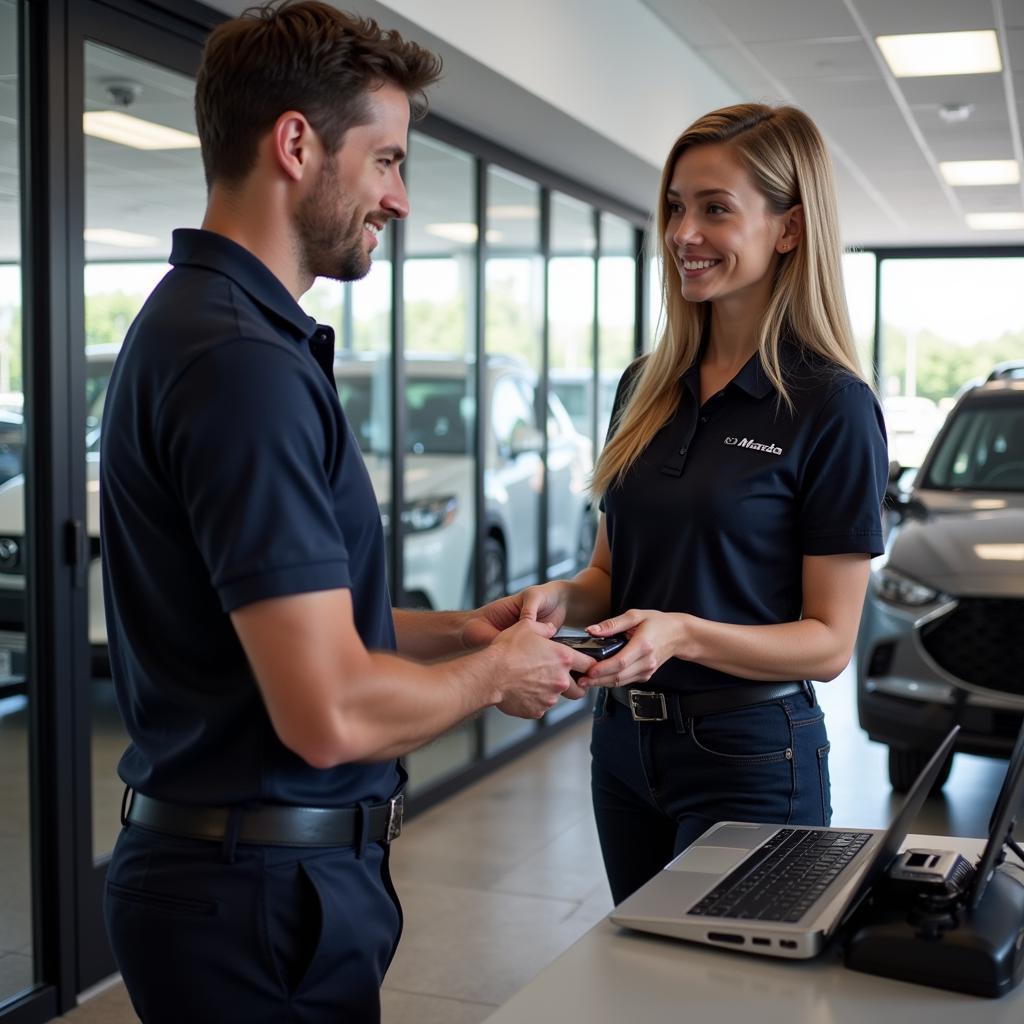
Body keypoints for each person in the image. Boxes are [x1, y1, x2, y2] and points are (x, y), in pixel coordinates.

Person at [99, 4, 593, 1022]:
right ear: (294, 144)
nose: (399, 198)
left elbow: (294, 625)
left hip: (251, 889)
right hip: (253, 906)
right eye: (386, 160)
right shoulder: (238, 364)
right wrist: (493, 673)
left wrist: (461, 629)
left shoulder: (217, 330)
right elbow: (325, 713)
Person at [514, 103, 889, 905]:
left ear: (788, 229)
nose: (685, 232)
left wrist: (681, 634)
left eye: (715, 208)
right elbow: (611, 576)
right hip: (622, 744)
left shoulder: (833, 405)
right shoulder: (643, 387)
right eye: (676, 207)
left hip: (751, 756)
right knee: (643, 983)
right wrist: (557, 598)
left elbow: (828, 643)